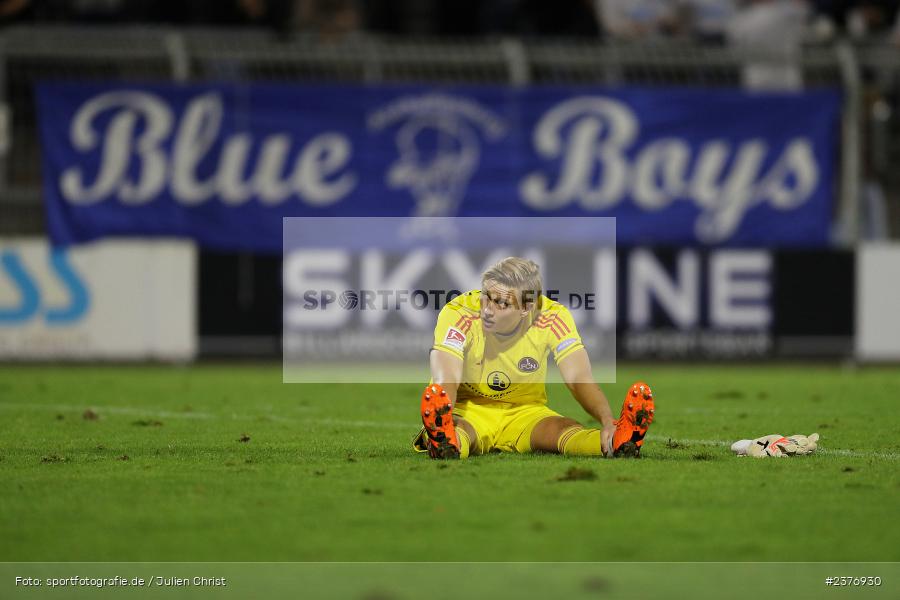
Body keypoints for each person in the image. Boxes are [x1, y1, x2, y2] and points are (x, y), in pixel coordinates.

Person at [413, 257, 655, 460]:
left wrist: (606, 419)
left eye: (501, 303)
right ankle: (445, 440)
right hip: (470, 410)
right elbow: (447, 374)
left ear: (527, 308)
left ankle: (619, 441)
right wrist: (444, 409)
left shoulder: (552, 317)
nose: (487, 309)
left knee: (564, 430)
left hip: (525, 412)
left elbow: (578, 376)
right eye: (485, 297)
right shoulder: (458, 312)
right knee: (461, 431)